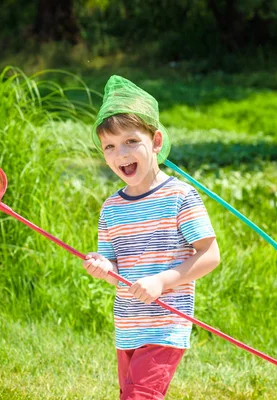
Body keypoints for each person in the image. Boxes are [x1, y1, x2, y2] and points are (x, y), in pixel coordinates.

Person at [82, 75, 220, 400]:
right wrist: (101, 265)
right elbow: (111, 262)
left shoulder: (180, 196)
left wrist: (161, 281)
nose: (121, 154)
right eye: (110, 147)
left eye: (131, 141)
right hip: (128, 326)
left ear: (156, 142)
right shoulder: (111, 208)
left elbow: (210, 255)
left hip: (165, 325)